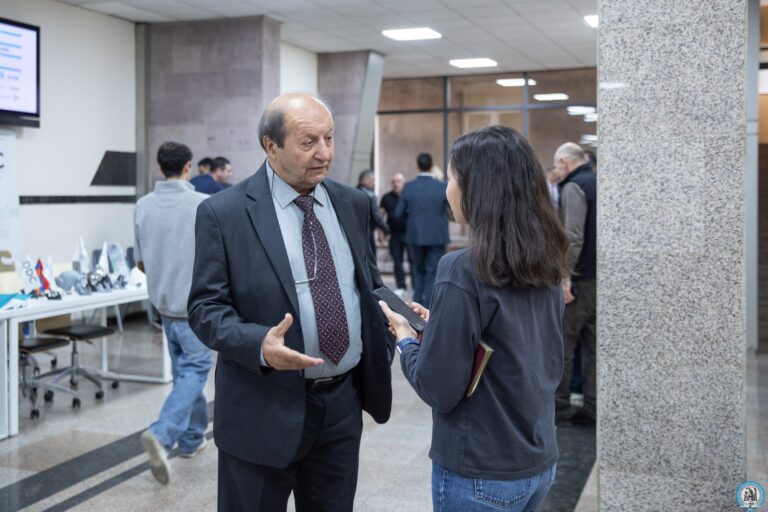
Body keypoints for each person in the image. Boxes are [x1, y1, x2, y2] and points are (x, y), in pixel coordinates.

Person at [187, 93, 393, 511]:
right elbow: (205, 308)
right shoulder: (224, 213)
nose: (324, 153)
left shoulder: (352, 203)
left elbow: (368, 285)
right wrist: (259, 345)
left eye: (329, 139)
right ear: (271, 146)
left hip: (341, 405)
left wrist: (397, 317)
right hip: (262, 406)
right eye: (308, 142)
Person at [379, 125, 570, 512]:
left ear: (476, 188)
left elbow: (437, 388)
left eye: (451, 178)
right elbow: (513, 343)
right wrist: (441, 325)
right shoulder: (547, 260)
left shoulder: (463, 269)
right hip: (538, 460)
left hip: (481, 471)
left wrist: (405, 338)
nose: (448, 190)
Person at [134, 142, 212, 484]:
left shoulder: (143, 206)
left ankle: (192, 439)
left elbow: (140, 263)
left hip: (164, 307)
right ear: (188, 167)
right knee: (195, 370)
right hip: (195, 309)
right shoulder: (203, 205)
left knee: (185, 372)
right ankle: (162, 434)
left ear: (160, 166)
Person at [553, 142, 597, 426]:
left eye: (557, 165)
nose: (556, 171)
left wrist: (565, 276)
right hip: (599, 278)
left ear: (566, 162)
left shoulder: (573, 186)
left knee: (564, 343)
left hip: (580, 281)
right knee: (593, 346)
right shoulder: (598, 182)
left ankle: (559, 404)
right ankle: (593, 406)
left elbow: (573, 236)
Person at [395, 153, 449, 308]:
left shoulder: (408, 187)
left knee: (418, 270)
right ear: (432, 166)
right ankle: (430, 305)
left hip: (415, 234)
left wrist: (413, 214)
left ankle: (417, 303)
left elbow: (398, 213)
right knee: (433, 271)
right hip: (437, 235)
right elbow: (452, 209)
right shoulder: (442, 186)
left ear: (417, 166)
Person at [380, 173, 408, 297]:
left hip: (410, 234)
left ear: (403, 183)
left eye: (399, 181)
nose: (396, 184)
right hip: (394, 234)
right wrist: (381, 233)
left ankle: (416, 286)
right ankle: (401, 286)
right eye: (394, 181)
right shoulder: (386, 198)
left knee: (414, 261)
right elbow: (381, 216)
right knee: (397, 261)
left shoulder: (409, 196)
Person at [356, 169, 390, 255]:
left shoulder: (351, 193)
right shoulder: (370, 195)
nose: (374, 183)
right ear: (365, 180)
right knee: (371, 258)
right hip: (367, 233)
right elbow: (376, 215)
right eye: (372, 180)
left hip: (354, 234)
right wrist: (386, 228)